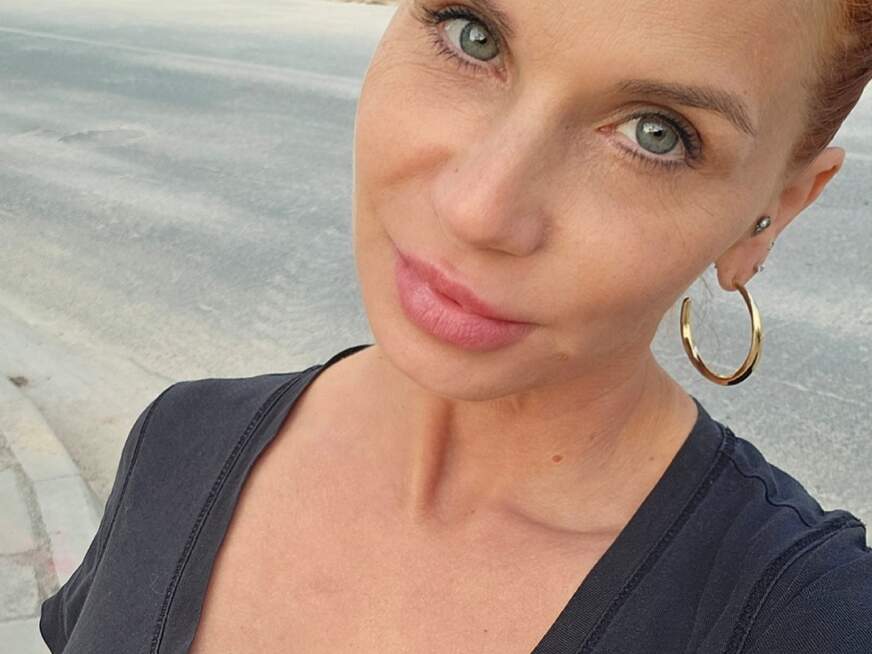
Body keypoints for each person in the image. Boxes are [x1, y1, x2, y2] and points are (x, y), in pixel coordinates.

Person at [41, 1, 871, 652]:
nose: (479, 209)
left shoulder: (808, 621)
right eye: (471, 35)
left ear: (774, 212)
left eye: (657, 135)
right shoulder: (181, 440)